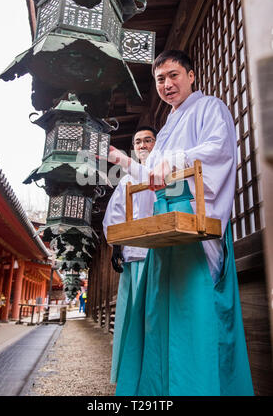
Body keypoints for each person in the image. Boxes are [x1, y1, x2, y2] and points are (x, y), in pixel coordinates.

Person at [107, 50, 254, 396]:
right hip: (165, 224)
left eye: (174, 75)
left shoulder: (210, 108)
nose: (168, 84)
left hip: (193, 220)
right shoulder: (169, 126)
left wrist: (172, 161)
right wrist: (122, 161)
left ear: (191, 75)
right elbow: (152, 178)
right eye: (160, 79)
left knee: (193, 313)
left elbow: (218, 150)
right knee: (160, 316)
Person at [103, 126, 157, 384]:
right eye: (138, 141)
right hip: (133, 255)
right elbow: (115, 215)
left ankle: (153, 375)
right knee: (132, 318)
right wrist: (116, 247)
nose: (143, 145)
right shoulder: (126, 180)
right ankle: (131, 374)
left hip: (158, 253)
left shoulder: (163, 172)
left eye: (148, 140)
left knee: (153, 316)